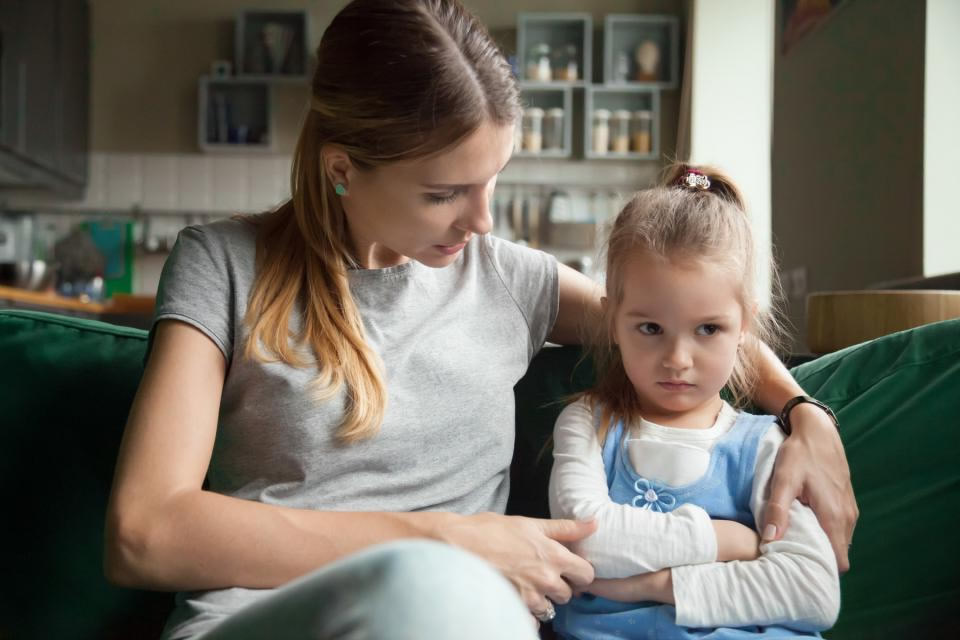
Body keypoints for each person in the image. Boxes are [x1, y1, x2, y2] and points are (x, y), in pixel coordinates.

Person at [102, 1, 855, 638]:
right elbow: (144, 533)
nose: (482, 221)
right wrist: (446, 541)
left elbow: (683, 327)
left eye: (493, 181)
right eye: (444, 193)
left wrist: (805, 414)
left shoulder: (509, 280)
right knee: (435, 592)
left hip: (472, 622)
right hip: (278, 618)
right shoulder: (223, 265)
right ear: (342, 169)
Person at [548, 165, 842, 639]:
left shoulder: (767, 443)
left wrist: (657, 585)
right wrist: (724, 540)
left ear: (745, 325)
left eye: (708, 329)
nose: (677, 359)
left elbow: (813, 591)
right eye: (649, 329)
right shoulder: (587, 422)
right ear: (612, 323)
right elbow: (585, 539)